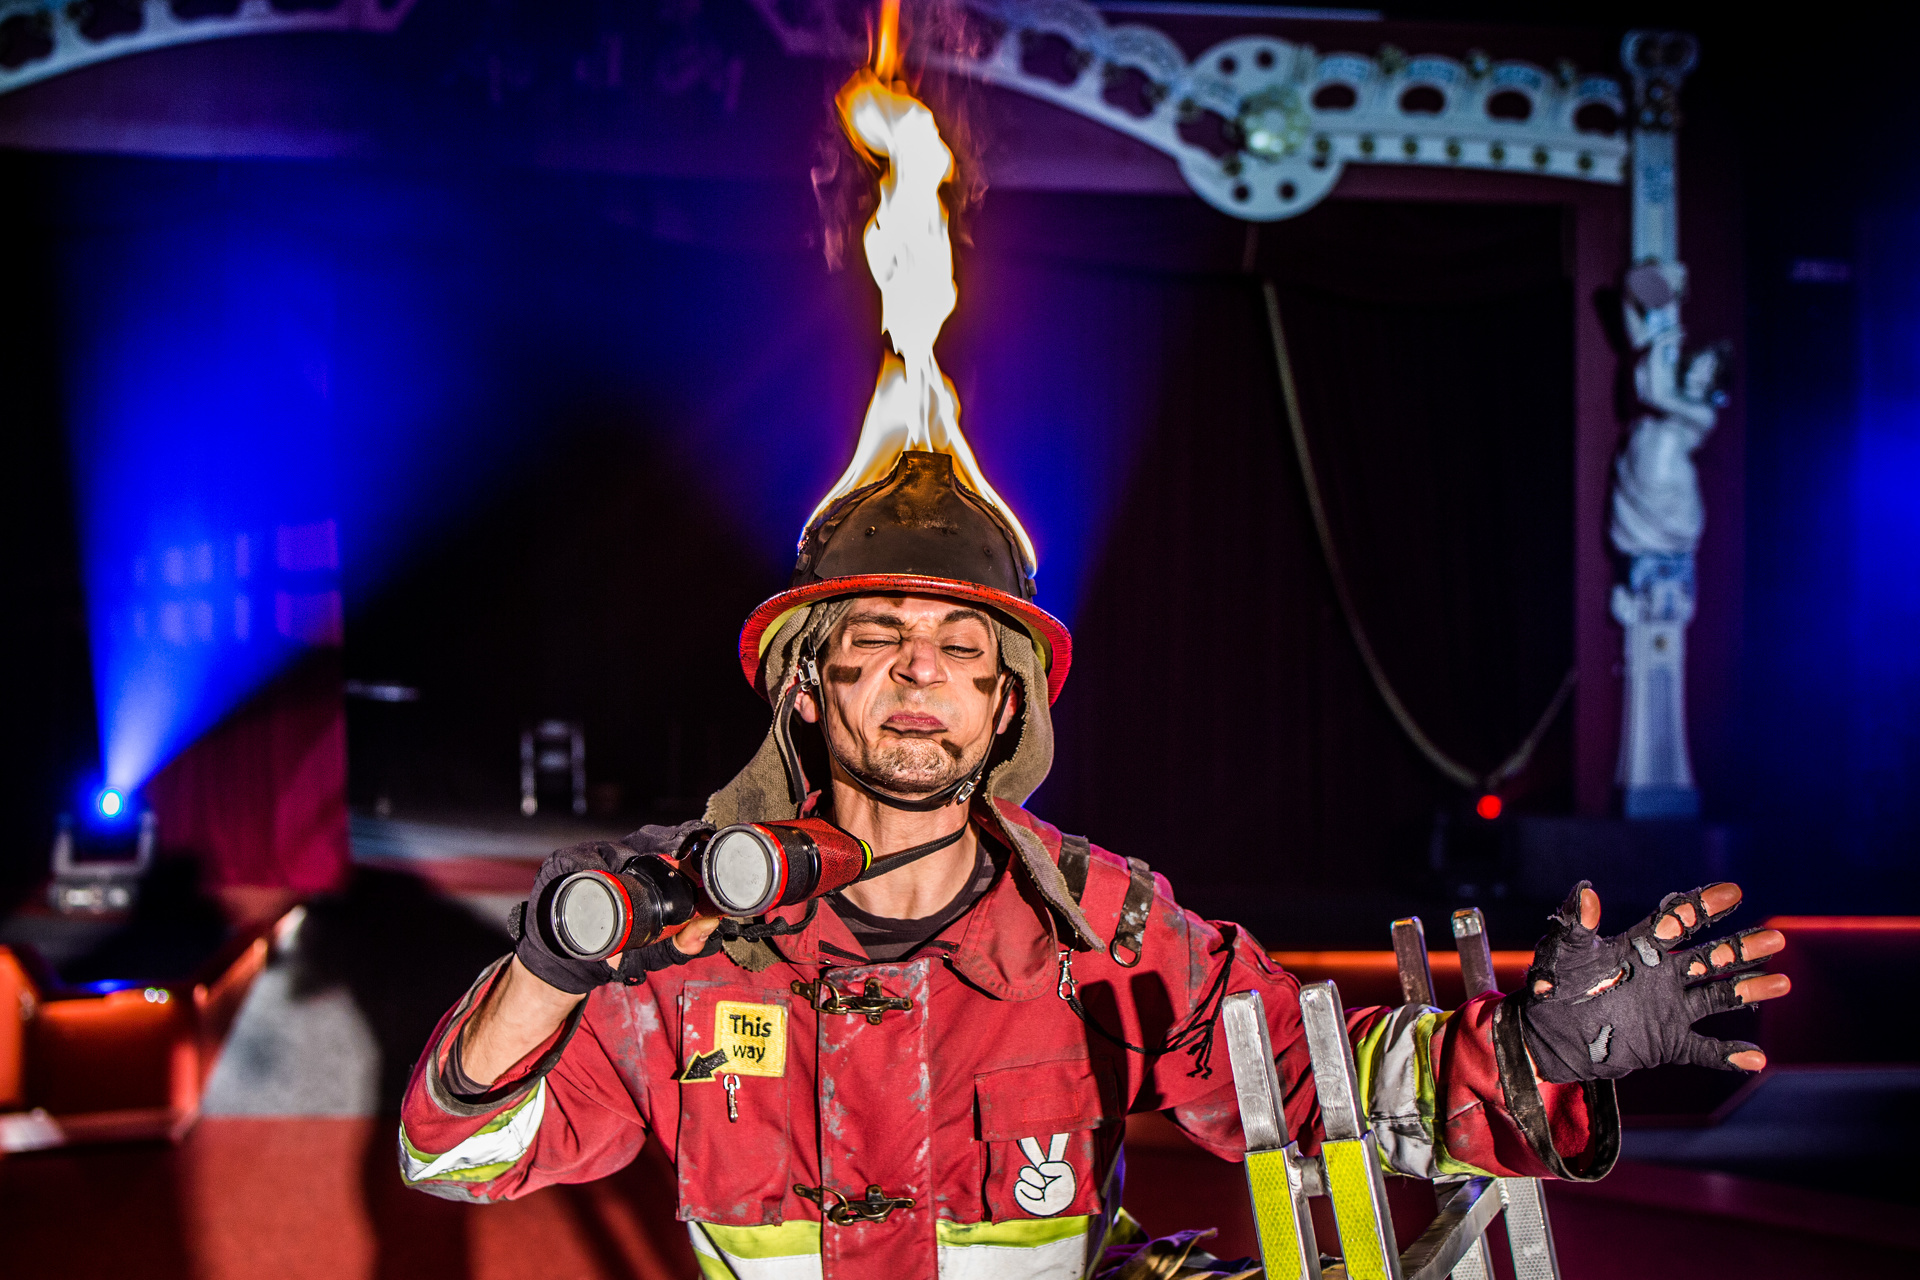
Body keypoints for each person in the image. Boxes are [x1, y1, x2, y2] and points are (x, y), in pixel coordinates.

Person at [397, 447, 1789, 1280]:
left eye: (960, 651)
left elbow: (1318, 1089)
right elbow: (456, 1153)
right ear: (809, 693)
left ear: (1011, 707)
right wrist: (554, 961)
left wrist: (1533, 1055)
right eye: (874, 644)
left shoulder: (1108, 930)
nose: (918, 677)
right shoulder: (698, 952)